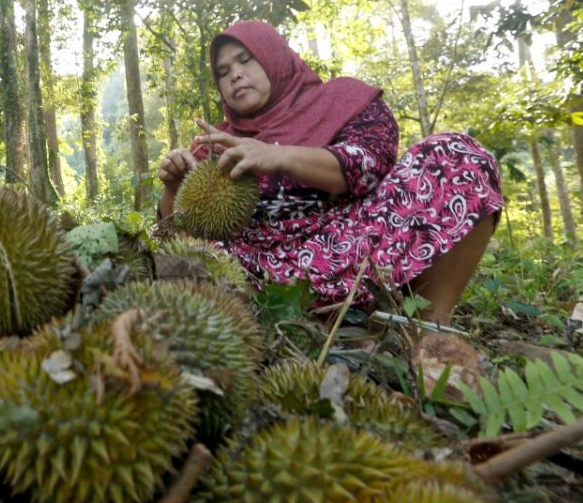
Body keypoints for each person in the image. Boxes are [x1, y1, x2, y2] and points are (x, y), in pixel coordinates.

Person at [157, 21, 503, 325]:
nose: (234, 74)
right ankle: (290, 325)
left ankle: (427, 330)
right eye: (222, 71)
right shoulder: (215, 142)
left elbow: (369, 165)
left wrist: (279, 156)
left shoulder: (340, 102)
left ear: (274, 58)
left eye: (246, 60)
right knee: (195, 260)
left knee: (456, 154)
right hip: (265, 277)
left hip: (357, 248)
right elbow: (185, 234)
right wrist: (174, 187)